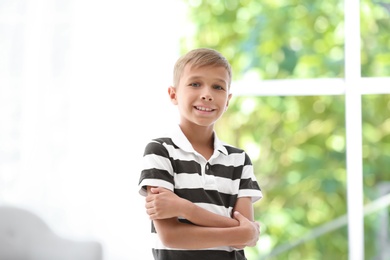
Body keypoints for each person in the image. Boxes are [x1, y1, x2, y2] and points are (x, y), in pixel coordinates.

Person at [138, 48, 263, 260]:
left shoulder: (239, 160)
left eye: (218, 87)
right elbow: (171, 237)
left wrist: (185, 209)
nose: (207, 94)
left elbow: (242, 239)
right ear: (173, 94)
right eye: (195, 84)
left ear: (228, 100)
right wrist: (242, 230)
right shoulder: (160, 151)